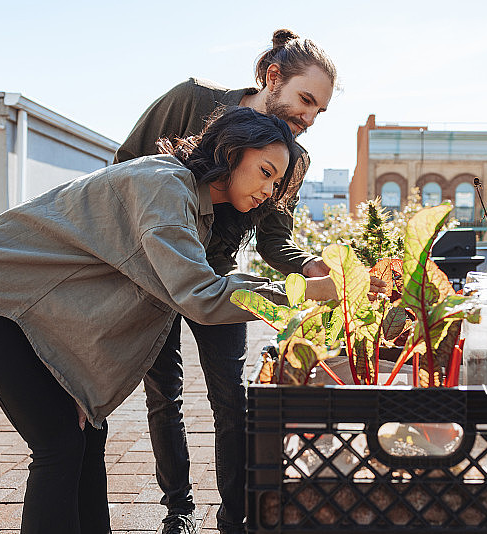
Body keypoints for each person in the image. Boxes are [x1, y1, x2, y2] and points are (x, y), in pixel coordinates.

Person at [0, 108, 341, 534]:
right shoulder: (165, 188)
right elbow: (199, 295)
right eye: (266, 172)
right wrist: (306, 291)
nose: (269, 192)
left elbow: (196, 283)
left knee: (86, 436)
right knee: (59, 444)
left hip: (20, 298)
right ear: (231, 151)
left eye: (277, 184)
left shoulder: (190, 201)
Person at [116, 29, 338, 534]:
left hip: (218, 283)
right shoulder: (192, 100)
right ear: (272, 76)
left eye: (318, 112)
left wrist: (310, 269)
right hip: (153, 276)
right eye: (305, 100)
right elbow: (125, 169)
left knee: (231, 401)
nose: (307, 118)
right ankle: (179, 510)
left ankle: (233, 516)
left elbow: (275, 242)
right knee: (163, 395)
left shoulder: (294, 160)